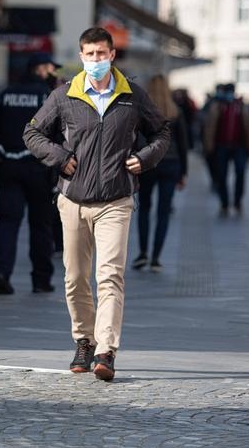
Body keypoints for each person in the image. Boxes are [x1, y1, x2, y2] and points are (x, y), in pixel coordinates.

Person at [23, 27, 170, 381]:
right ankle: (84, 340)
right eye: (89, 55)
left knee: (110, 276)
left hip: (116, 200)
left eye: (101, 54)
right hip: (73, 199)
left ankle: (106, 350)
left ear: (112, 55)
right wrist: (58, 157)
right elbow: (32, 133)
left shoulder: (132, 96)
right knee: (75, 279)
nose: (95, 61)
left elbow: (162, 131)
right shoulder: (64, 95)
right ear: (81, 56)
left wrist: (146, 158)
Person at [0, 52, 60, 294]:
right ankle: (41, 280)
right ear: (39, 69)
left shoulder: (7, 94)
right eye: (50, 68)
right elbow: (59, 133)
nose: (53, 73)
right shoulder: (48, 96)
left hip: (8, 167)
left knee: (7, 223)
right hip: (40, 169)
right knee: (41, 226)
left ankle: (1, 272)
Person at [132, 75, 188, 272]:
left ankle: (142, 253)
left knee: (144, 209)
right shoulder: (175, 112)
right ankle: (156, 258)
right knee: (163, 213)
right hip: (171, 165)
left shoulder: (142, 111)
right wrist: (184, 173)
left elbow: (134, 140)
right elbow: (183, 145)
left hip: (147, 164)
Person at [202, 82, 249, 216]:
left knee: (240, 172)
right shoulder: (217, 106)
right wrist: (209, 146)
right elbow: (209, 127)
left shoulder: (241, 106)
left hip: (239, 146)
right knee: (221, 175)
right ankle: (224, 203)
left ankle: (237, 202)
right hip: (221, 146)